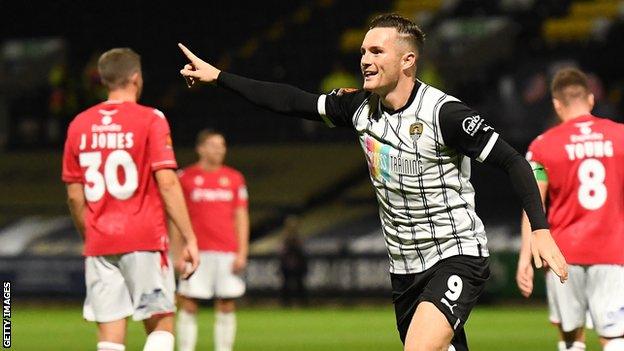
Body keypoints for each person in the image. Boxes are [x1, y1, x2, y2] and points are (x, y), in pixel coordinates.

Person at [177, 13, 568, 351]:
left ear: (408, 60)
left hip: (455, 254)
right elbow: (291, 100)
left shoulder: (444, 114)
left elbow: (514, 161)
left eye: (376, 52)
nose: (364, 59)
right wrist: (219, 77)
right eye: (363, 51)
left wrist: (541, 229)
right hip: (404, 268)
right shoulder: (359, 108)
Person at [62, 48, 199, 351]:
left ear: (103, 79)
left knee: (110, 338)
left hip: (100, 242)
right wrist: (189, 236)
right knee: (161, 327)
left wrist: (91, 235)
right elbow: (167, 183)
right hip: (144, 239)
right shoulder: (151, 119)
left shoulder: (79, 124)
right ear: (136, 78)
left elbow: (74, 195)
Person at [516, 67, 624, 351]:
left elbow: (532, 204)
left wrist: (525, 257)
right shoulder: (620, 136)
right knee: (614, 337)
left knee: (570, 338)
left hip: (563, 253)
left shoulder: (542, 146)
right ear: (590, 99)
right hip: (614, 252)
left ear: (556, 104)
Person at [173, 129, 250, 351]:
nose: (219, 150)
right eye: (214, 145)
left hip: (227, 251)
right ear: (200, 148)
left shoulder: (235, 178)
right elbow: (175, 217)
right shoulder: (184, 177)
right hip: (196, 251)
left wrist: (242, 251)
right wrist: (177, 253)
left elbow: (241, 217)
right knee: (188, 302)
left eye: (222, 145)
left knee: (226, 303)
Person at [279, 215, 309, 307]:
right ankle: (286, 303)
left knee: (300, 285)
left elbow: (302, 251)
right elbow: (282, 251)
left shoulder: (299, 236)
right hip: (287, 265)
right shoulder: (285, 237)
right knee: (286, 285)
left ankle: (302, 303)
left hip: (298, 265)